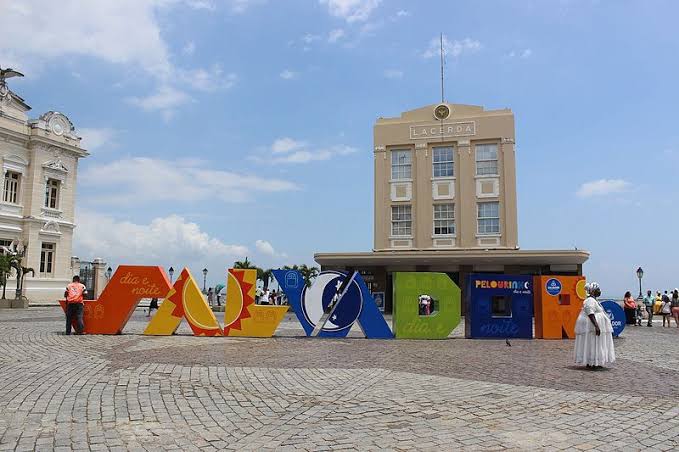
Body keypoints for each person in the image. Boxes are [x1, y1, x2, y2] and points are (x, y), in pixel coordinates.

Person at [574, 282, 615, 369]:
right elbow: (590, 313)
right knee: (593, 343)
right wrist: (596, 326)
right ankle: (591, 362)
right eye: (597, 290)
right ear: (592, 291)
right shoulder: (590, 301)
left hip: (593, 327)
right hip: (591, 327)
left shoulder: (594, 300)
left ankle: (596, 361)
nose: (599, 291)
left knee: (596, 344)